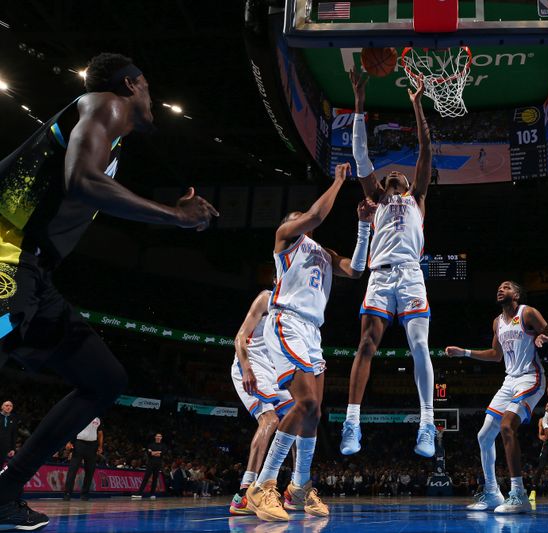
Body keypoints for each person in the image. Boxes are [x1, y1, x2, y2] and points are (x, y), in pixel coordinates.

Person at [0, 52, 217, 529]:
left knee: (104, 379)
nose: (152, 99)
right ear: (131, 83)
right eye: (148, 88)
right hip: (5, 255)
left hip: (32, 269)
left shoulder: (113, 132)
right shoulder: (104, 105)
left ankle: (6, 491)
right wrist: (177, 217)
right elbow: (82, 181)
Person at [246, 163, 374, 522]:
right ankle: (263, 485)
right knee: (302, 404)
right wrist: (338, 181)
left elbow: (356, 269)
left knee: (314, 413)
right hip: (286, 321)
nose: (305, 218)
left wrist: (363, 224)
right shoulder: (286, 236)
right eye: (299, 216)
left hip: (313, 332)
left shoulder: (324, 252)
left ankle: (298, 488)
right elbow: (317, 214)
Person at [341, 68, 437, 458]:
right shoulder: (376, 199)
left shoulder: (418, 198)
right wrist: (360, 103)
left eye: (402, 172)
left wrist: (417, 107)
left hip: (411, 275)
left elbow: (426, 152)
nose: (397, 172)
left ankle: (427, 424)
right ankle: (352, 422)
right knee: (366, 343)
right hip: (381, 277)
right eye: (392, 172)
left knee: (418, 345)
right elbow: (360, 155)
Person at [445, 281, 548, 513]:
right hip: (509, 381)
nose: (500, 289)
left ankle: (519, 495)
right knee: (484, 435)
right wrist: (465, 352)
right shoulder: (497, 322)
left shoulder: (527, 312)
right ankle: (492, 493)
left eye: (507, 287)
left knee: (507, 425)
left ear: (516, 294)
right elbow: (496, 355)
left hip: (531, 377)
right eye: (498, 287)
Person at [228, 285, 294, 515]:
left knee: (298, 420)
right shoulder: (266, 298)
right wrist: (246, 367)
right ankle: (244, 493)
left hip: (275, 371)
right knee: (270, 420)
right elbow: (239, 337)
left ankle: (293, 490)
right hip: (252, 365)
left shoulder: (299, 309)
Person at [63, 418, 102, 501]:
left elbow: (100, 433)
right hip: (79, 443)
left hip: (92, 446)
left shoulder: (98, 418)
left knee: (90, 471)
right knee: (73, 470)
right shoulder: (82, 415)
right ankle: (67, 493)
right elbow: (72, 429)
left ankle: (85, 494)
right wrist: (69, 442)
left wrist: (100, 446)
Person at [132, 433, 165, 499]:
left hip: (158, 463)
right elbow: (149, 454)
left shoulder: (163, 446)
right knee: (146, 478)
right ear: (155, 437)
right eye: (157, 436)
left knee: (155, 479)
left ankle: (152, 494)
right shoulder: (151, 445)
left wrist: (153, 452)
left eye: (160, 436)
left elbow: (162, 454)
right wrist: (158, 452)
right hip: (150, 463)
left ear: (161, 438)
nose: (158, 437)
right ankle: (139, 493)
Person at [0, 401, 18, 468]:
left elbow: (14, 434)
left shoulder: (13, 419)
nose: (9, 407)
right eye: (7, 405)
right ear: (2, 407)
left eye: (10, 406)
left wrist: (13, 449)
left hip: (4, 447)